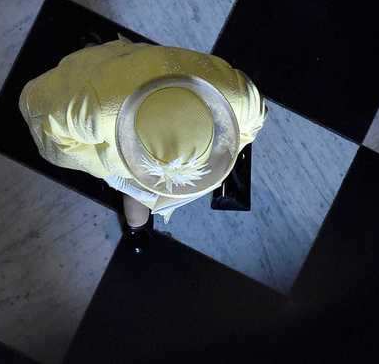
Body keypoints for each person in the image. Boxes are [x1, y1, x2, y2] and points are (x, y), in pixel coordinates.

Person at [18, 35, 268, 251]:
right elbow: (250, 128)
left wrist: (106, 168)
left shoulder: (97, 112)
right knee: (137, 198)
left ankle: (136, 230)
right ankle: (137, 231)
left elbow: (54, 131)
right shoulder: (240, 100)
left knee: (134, 195)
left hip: (125, 82)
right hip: (187, 167)